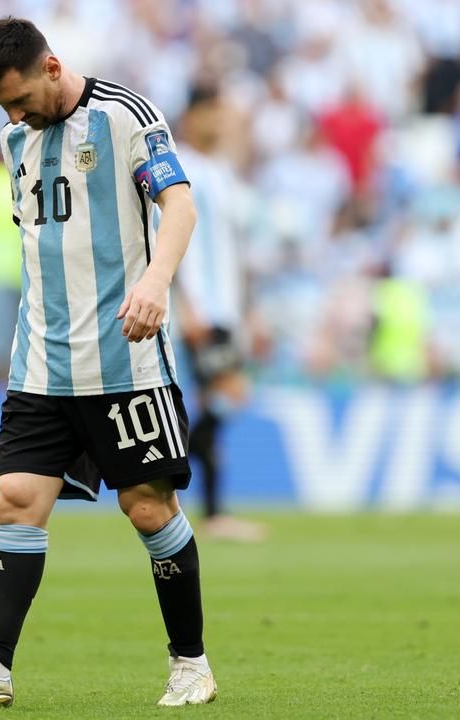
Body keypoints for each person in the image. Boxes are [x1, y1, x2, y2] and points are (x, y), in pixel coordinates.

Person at [0, 17, 215, 708]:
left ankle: (190, 662)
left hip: (124, 360)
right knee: (14, 500)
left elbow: (180, 205)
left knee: (147, 508)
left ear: (51, 67)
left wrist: (155, 282)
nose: (11, 116)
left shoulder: (126, 116)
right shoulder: (14, 140)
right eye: (0, 107)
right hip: (41, 361)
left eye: (18, 99)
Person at [173, 84, 268, 543]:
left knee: (221, 401)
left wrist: (250, 310)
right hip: (204, 308)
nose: (225, 122)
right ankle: (163, 481)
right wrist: (186, 305)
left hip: (226, 307)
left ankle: (197, 503)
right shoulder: (183, 166)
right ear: (195, 117)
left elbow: (236, 249)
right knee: (226, 394)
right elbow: (169, 236)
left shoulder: (223, 172)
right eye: (216, 112)